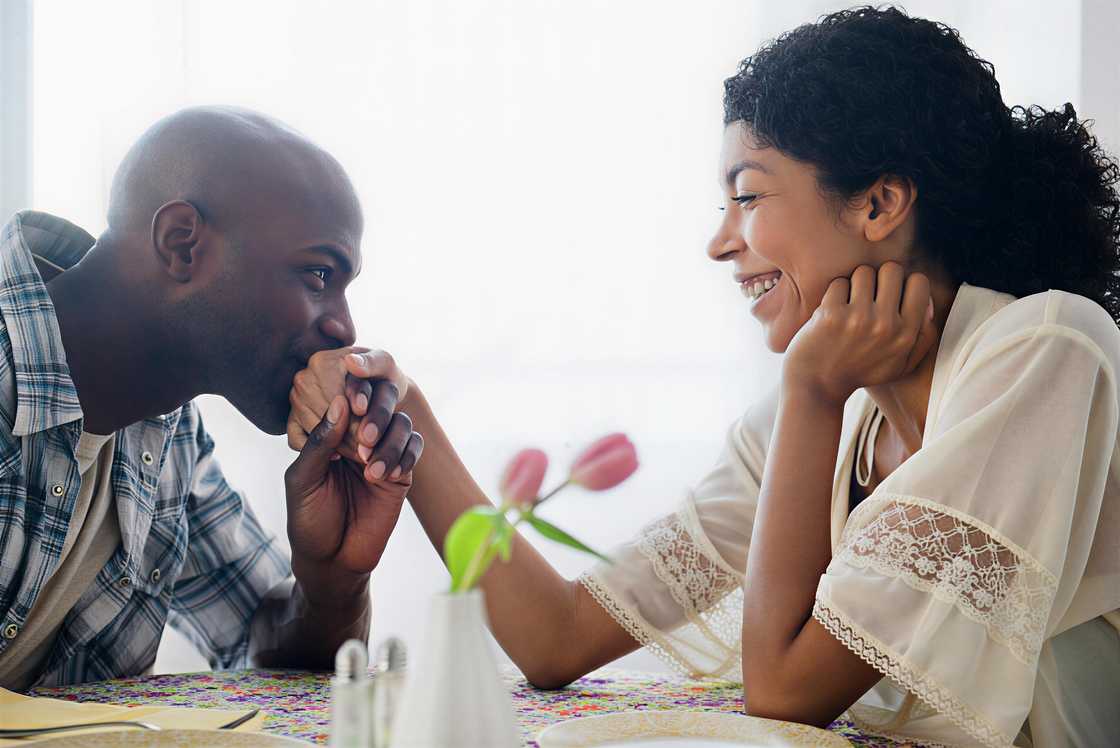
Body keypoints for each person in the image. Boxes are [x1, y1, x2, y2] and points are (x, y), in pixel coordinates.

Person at [289, 7, 1120, 746]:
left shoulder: (1044, 348)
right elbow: (558, 637)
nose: (721, 242)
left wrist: (812, 392)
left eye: (749, 196)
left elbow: (784, 696)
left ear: (878, 204)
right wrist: (406, 411)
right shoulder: (820, 414)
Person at [0, 106, 422, 691]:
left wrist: (332, 580)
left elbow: (262, 648)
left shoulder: (165, 434)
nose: (344, 330)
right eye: (319, 275)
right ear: (183, 246)